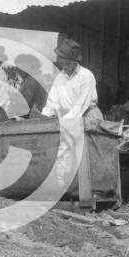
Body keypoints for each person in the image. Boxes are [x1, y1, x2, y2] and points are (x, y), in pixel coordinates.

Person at [41, 36, 98, 188]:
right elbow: (52, 103)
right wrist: (43, 118)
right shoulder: (60, 78)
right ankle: (64, 189)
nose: (64, 67)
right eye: (62, 64)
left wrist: (66, 122)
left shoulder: (86, 76)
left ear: (76, 61)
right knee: (64, 155)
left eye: (68, 64)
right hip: (67, 120)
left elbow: (81, 105)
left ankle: (88, 190)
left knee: (85, 155)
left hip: (87, 117)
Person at [13, 53, 47, 118]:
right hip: (37, 116)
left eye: (22, 67)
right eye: (17, 68)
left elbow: (24, 104)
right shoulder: (33, 78)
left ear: (30, 66)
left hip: (32, 118)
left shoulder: (32, 80)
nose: (19, 71)